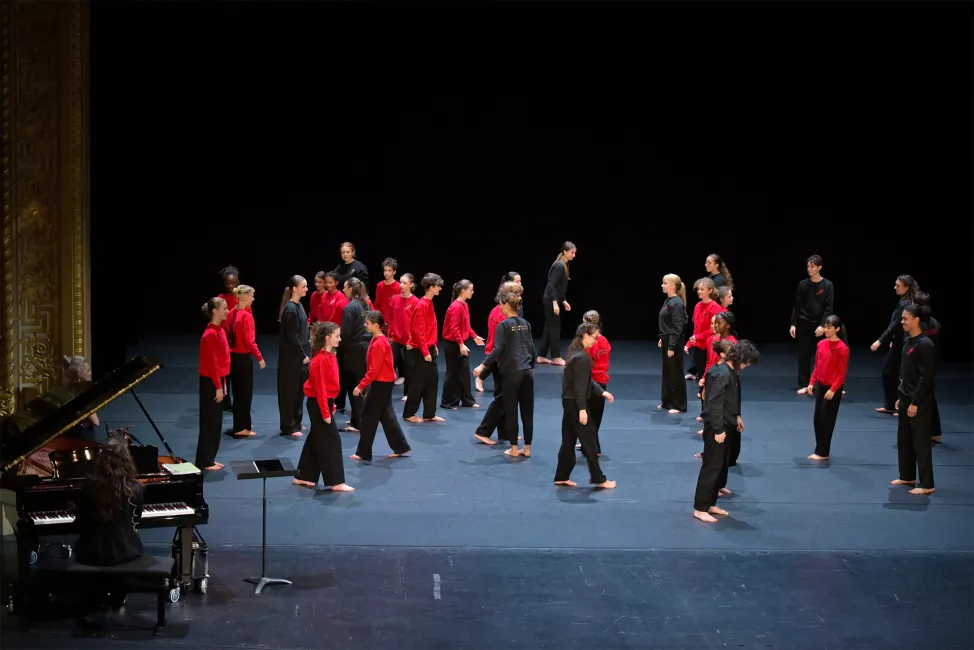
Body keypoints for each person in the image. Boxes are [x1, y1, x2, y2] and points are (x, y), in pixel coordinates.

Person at [692, 340, 760, 523]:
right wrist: (718, 429)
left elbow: (730, 400)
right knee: (711, 467)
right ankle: (700, 507)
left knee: (720, 467)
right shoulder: (722, 374)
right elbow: (714, 404)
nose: (746, 366)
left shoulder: (729, 372)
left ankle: (710, 503)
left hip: (726, 424)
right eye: (746, 362)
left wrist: (736, 416)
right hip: (718, 428)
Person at [473, 291, 535, 457]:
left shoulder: (504, 325)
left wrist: (481, 366)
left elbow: (498, 349)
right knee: (527, 412)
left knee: (511, 410)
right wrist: (532, 367)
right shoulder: (526, 323)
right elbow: (532, 348)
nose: (499, 307)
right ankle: (527, 449)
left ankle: (514, 448)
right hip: (527, 372)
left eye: (500, 304)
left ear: (507, 305)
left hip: (511, 373)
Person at [554, 323, 616, 488]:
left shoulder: (576, 352)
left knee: (568, 439)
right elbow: (580, 387)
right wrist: (582, 409)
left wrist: (601, 392)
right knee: (589, 440)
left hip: (569, 400)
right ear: (585, 336)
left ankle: (561, 475)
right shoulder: (581, 358)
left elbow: (584, 382)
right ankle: (599, 479)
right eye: (595, 337)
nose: (596, 341)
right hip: (575, 402)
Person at [294, 322, 354, 492]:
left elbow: (329, 385)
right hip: (319, 404)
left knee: (316, 439)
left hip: (325, 403)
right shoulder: (320, 360)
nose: (340, 339)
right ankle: (336, 481)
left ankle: (303, 476)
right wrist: (326, 411)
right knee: (332, 441)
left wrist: (332, 403)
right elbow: (320, 388)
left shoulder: (331, 356)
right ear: (327, 338)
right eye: (337, 336)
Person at [351, 312, 412, 462]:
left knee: (367, 417)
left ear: (376, 325)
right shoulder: (378, 340)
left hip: (381, 383)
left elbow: (374, 370)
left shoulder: (379, 343)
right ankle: (401, 446)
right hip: (384, 382)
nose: (365, 325)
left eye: (368, 323)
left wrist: (360, 386)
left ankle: (363, 453)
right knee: (386, 416)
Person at [891, 303, 936, 495]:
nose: (902, 321)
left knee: (920, 441)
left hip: (919, 402)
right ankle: (907, 475)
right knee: (904, 439)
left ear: (916, 320)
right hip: (905, 397)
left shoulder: (925, 344)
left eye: (905, 319)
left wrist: (915, 402)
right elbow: (905, 373)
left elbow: (925, 378)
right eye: (901, 318)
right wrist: (901, 396)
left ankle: (926, 483)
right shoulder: (907, 341)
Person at [472, 280, 523, 445]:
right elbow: (500, 345)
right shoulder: (502, 314)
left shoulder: (498, 311)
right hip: (500, 359)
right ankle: (483, 431)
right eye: (517, 295)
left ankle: (505, 433)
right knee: (503, 398)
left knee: (505, 396)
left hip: (499, 357)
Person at [870, 275, 919, 415]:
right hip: (898, 342)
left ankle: (900, 405)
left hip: (903, 343)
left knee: (898, 374)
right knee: (890, 372)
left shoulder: (906, 304)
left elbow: (894, 325)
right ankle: (891, 405)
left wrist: (879, 341)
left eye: (898, 285)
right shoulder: (904, 302)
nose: (895, 287)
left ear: (906, 287)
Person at [403, 273, 446, 423]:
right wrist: (426, 350)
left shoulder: (429, 302)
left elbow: (429, 328)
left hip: (429, 347)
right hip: (422, 350)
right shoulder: (421, 305)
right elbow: (418, 330)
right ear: (431, 287)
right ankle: (409, 413)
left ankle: (429, 413)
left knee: (432, 381)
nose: (440, 288)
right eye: (438, 286)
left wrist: (433, 345)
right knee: (418, 382)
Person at [807, 315, 850, 460]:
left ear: (837, 329)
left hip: (832, 388)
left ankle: (822, 452)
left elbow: (841, 373)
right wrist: (811, 382)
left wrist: (833, 389)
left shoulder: (842, 348)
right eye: (825, 326)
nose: (826, 329)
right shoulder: (821, 344)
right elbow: (817, 365)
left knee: (827, 419)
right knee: (817, 418)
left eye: (829, 327)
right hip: (820, 384)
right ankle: (819, 448)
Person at [790, 255, 834, 393]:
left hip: (820, 324)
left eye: (812, 266)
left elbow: (829, 308)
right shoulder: (803, 284)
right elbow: (797, 306)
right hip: (804, 322)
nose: (809, 269)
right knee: (804, 354)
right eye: (808, 266)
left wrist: (823, 325)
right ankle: (804, 383)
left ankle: (822, 382)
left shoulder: (827, 285)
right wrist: (793, 323)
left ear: (819, 267)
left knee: (822, 354)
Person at [227, 285, 265, 438]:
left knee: (237, 393)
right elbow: (250, 341)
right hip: (243, 358)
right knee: (245, 394)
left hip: (232, 358)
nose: (253, 299)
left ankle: (240, 424)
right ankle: (241, 427)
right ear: (245, 297)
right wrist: (260, 358)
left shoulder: (230, 313)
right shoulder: (246, 316)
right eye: (251, 296)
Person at [196, 296, 229, 471]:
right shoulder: (209, 335)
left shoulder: (220, 330)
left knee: (216, 422)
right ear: (215, 311)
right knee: (209, 421)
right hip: (210, 381)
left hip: (218, 379)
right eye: (224, 308)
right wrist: (218, 385)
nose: (227, 310)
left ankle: (210, 457)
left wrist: (222, 383)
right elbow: (212, 364)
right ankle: (204, 460)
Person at [441, 280, 484, 410]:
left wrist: (474, 336)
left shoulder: (464, 305)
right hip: (452, 344)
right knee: (453, 373)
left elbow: (466, 325)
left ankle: (467, 401)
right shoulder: (456, 306)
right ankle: (447, 402)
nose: (472, 292)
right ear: (463, 291)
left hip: (460, 343)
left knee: (464, 372)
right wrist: (460, 344)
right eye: (470, 289)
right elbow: (454, 328)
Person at [476, 272, 521, 393]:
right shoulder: (499, 314)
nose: (520, 285)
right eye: (518, 282)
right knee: (496, 362)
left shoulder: (509, 309)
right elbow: (499, 344)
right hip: (502, 352)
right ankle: (480, 377)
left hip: (504, 353)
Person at [278, 275, 310, 437]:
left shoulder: (299, 306)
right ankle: (288, 425)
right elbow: (292, 336)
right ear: (295, 289)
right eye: (304, 286)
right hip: (291, 356)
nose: (306, 289)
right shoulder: (290, 309)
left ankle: (296, 422)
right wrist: (303, 354)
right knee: (289, 391)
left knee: (299, 391)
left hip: (299, 354)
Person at [339, 277, 373, 432]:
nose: (343, 290)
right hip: (366, 348)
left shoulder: (349, 307)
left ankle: (358, 423)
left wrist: (337, 349)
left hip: (354, 350)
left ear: (351, 289)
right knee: (362, 384)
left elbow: (345, 333)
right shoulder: (366, 305)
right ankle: (359, 419)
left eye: (345, 287)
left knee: (355, 385)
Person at [537, 241, 576, 366]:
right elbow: (551, 285)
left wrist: (563, 301)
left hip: (552, 299)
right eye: (572, 252)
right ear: (565, 252)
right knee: (554, 329)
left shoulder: (564, 265)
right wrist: (555, 303)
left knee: (549, 329)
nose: (574, 255)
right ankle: (556, 357)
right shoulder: (559, 266)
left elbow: (560, 287)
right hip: (550, 300)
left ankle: (541, 356)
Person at [580, 310, 610, 456]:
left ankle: (593, 448)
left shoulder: (589, 342)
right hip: (602, 381)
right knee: (596, 416)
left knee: (588, 415)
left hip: (591, 381)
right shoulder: (604, 340)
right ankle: (589, 444)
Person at [658, 273, 688, 414]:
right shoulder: (668, 301)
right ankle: (667, 401)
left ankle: (678, 405)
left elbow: (678, 326)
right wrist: (662, 338)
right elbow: (667, 323)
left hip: (673, 342)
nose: (662, 285)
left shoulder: (676, 303)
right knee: (667, 372)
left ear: (673, 286)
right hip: (667, 339)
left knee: (675, 373)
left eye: (665, 283)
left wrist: (671, 345)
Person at [685, 277, 724, 381]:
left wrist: (698, 337)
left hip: (710, 346)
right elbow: (696, 328)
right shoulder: (698, 305)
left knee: (709, 377)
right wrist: (689, 344)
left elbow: (715, 329)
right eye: (698, 289)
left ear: (710, 290)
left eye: (702, 289)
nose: (699, 291)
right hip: (699, 346)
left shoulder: (715, 307)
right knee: (701, 375)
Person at [388, 273, 420, 395]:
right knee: (390, 363)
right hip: (395, 337)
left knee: (409, 367)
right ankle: (386, 391)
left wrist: (412, 340)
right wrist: (390, 334)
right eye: (400, 282)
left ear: (411, 285)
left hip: (409, 340)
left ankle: (408, 393)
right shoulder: (395, 299)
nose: (401, 285)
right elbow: (390, 318)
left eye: (404, 283)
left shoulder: (415, 301)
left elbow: (416, 323)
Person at [62, 355, 99, 441]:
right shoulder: (83, 393)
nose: (90, 373)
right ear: (79, 374)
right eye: (88, 370)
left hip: (69, 435)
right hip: (82, 436)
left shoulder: (67, 390)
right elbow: (95, 422)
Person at [374, 258, 401, 326]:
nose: (386, 273)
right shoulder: (379, 285)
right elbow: (377, 303)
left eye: (389, 271)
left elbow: (398, 307)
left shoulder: (398, 287)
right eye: (385, 270)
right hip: (380, 321)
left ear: (394, 272)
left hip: (393, 322)